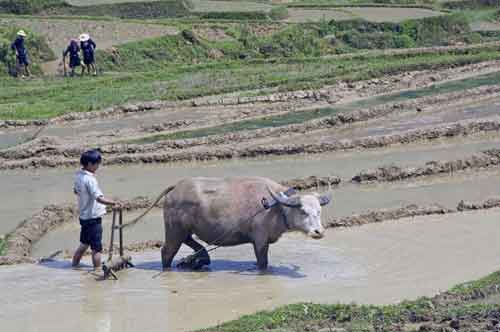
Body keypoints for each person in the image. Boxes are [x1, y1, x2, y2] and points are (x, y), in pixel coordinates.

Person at [72, 150, 121, 271]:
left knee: (84, 243)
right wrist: (114, 203)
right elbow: (98, 198)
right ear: (89, 164)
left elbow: (75, 191)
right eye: (96, 164)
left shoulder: (78, 176)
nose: (98, 167)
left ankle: (74, 265)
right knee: (96, 248)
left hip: (84, 217)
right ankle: (97, 270)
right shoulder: (90, 180)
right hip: (93, 218)